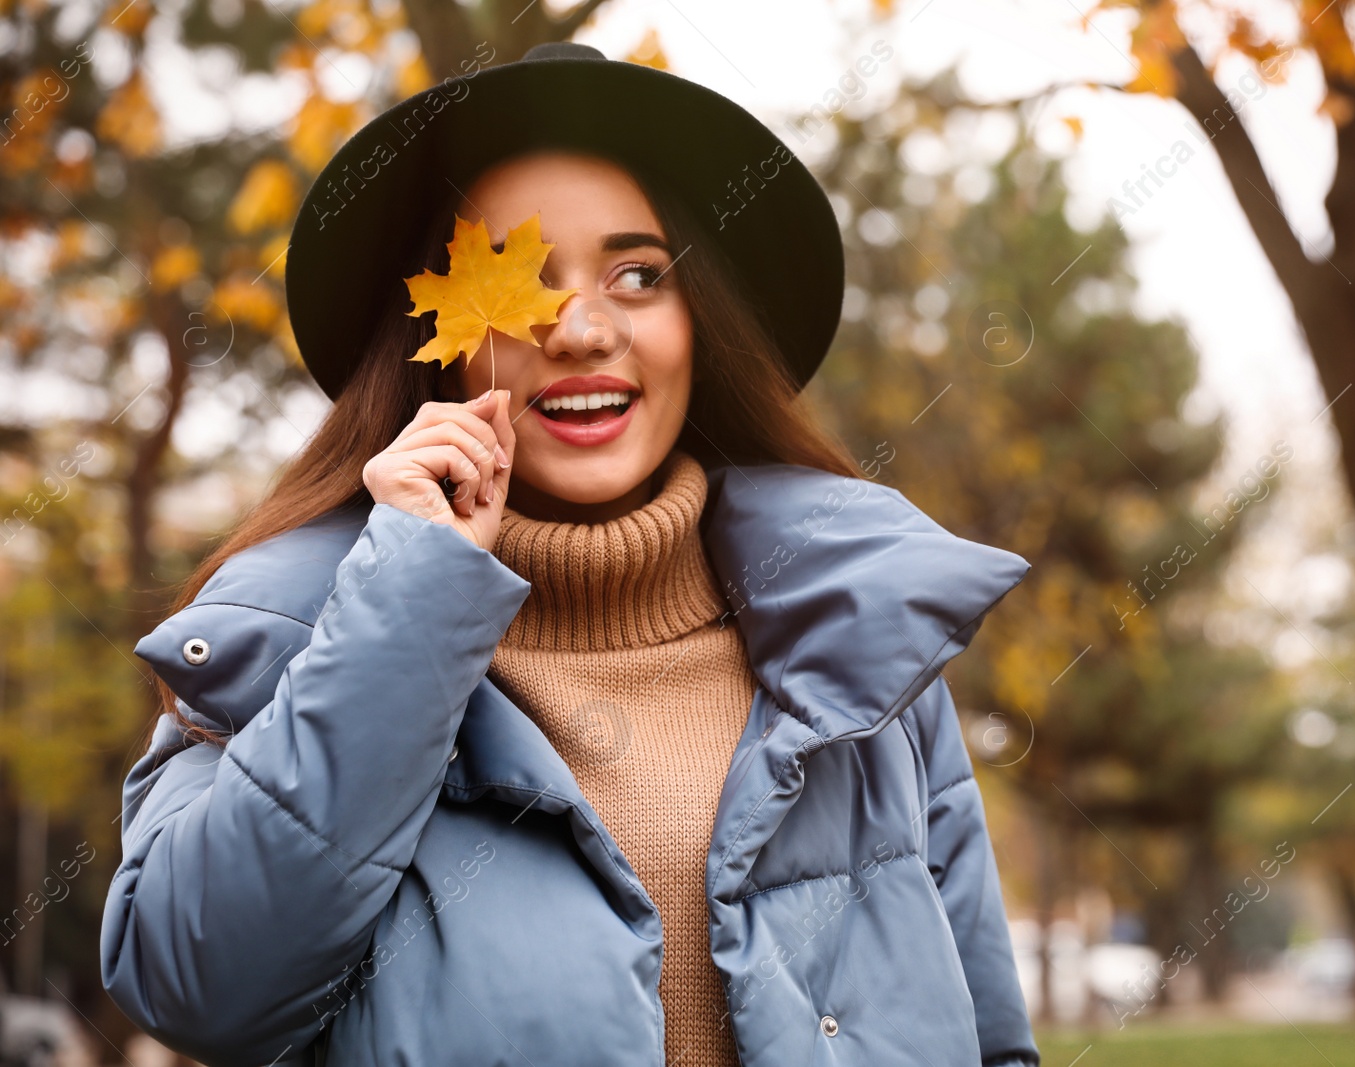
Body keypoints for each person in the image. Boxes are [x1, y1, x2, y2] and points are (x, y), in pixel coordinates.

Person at [99, 41, 1041, 1067]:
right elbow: (198, 984)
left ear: (702, 320)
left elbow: (990, 1038)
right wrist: (408, 608)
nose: (584, 328)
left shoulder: (859, 631)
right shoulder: (277, 637)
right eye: (518, 283)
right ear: (437, 339)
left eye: (639, 273)